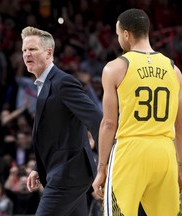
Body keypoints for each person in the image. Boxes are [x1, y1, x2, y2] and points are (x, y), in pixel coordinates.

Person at [92, 8, 182, 215]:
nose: (118, 38)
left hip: (130, 151)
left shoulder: (115, 68)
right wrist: (180, 165)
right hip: (165, 152)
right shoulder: (174, 70)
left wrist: (101, 168)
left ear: (126, 34)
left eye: (117, 34)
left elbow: (108, 123)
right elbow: (179, 125)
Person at [21, 26, 102, 216]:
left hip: (69, 173)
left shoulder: (62, 82)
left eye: (32, 49)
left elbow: (96, 119)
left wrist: (105, 164)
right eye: (24, 50)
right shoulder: (45, 83)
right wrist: (38, 168)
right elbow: (52, 136)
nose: (26, 54)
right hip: (65, 171)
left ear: (49, 53)